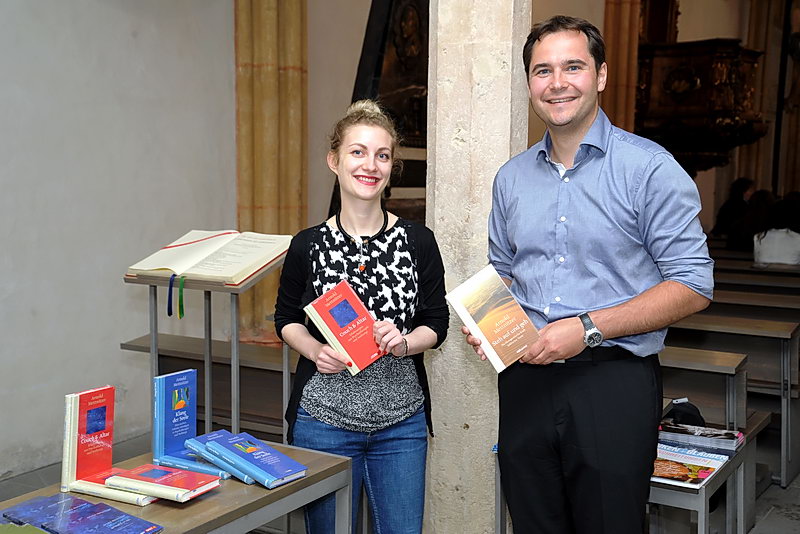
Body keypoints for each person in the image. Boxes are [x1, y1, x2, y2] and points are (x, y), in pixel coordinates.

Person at [461, 16, 714, 534]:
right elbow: (505, 270)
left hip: (612, 379)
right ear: (529, 83)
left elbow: (692, 285)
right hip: (525, 380)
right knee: (534, 522)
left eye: (572, 67)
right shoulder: (511, 178)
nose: (557, 83)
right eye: (542, 71)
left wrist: (589, 328)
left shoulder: (648, 168)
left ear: (600, 76)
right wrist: (487, 320)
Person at [274, 100, 448, 534]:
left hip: (401, 426)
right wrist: (314, 350)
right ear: (334, 160)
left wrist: (405, 342)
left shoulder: (418, 241)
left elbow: (437, 321)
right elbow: (286, 318)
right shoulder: (307, 245)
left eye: (382, 155)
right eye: (358, 152)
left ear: (391, 167)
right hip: (323, 425)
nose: (370, 165)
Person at [754, 192, 800, 265]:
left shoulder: (758, 236)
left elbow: (757, 260)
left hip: (763, 272)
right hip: (790, 272)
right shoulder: (798, 238)